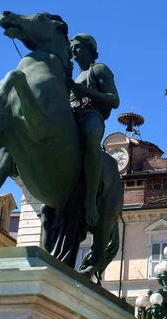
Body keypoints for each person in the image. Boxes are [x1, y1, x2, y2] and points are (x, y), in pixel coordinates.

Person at [69, 33, 120, 227]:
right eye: (72, 49)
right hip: (72, 117)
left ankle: (90, 200)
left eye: (78, 48)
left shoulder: (98, 69)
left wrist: (86, 91)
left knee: (91, 137)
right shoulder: (73, 76)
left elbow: (114, 100)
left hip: (91, 115)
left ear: (90, 49)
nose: (73, 52)